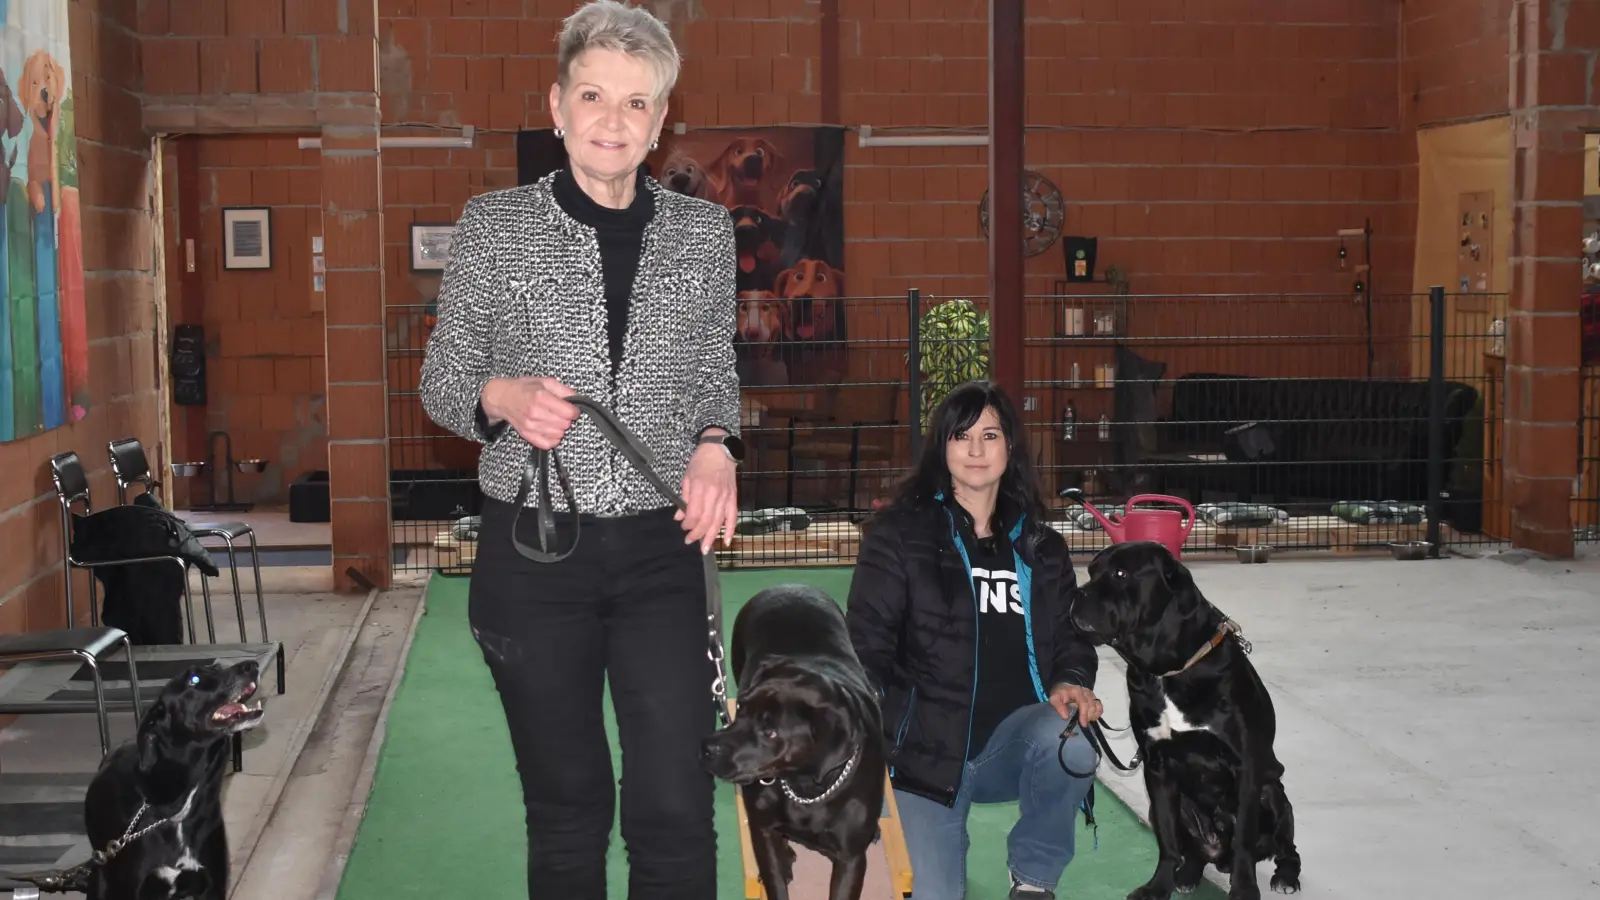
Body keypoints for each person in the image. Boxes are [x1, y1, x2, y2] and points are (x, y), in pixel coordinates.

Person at [417, 3, 742, 898]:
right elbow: (440, 382)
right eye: (593, 95)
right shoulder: (493, 226)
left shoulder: (704, 237)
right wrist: (501, 395)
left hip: (660, 553)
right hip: (534, 556)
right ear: (556, 106)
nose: (612, 119)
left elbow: (714, 370)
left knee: (676, 807)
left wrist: (717, 445)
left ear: (660, 120)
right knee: (569, 808)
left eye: (636, 103)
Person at [845, 380, 1104, 900]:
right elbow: (866, 643)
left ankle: (1032, 880)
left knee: (1072, 750)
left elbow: (1073, 640)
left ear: (1011, 445)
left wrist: (1072, 681)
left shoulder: (1041, 546)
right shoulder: (899, 536)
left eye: (990, 435)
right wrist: (857, 716)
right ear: (942, 448)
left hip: (1011, 744)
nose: (977, 451)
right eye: (962, 436)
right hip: (923, 753)